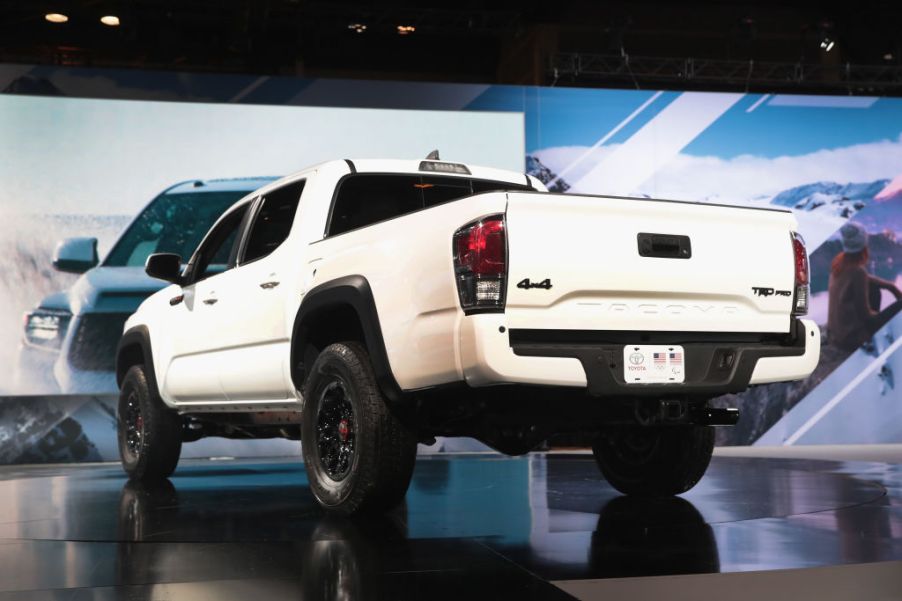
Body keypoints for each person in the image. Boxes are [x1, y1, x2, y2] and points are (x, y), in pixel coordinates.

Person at [827, 222, 902, 352]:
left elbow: (867, 279)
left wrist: (891, 286)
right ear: (863, 245)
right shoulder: (858, 271)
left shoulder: (839, 263)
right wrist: (880, 317)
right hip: (850, 339)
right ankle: (878, 336)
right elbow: (866, 315)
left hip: (835, 335)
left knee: (874, 288)